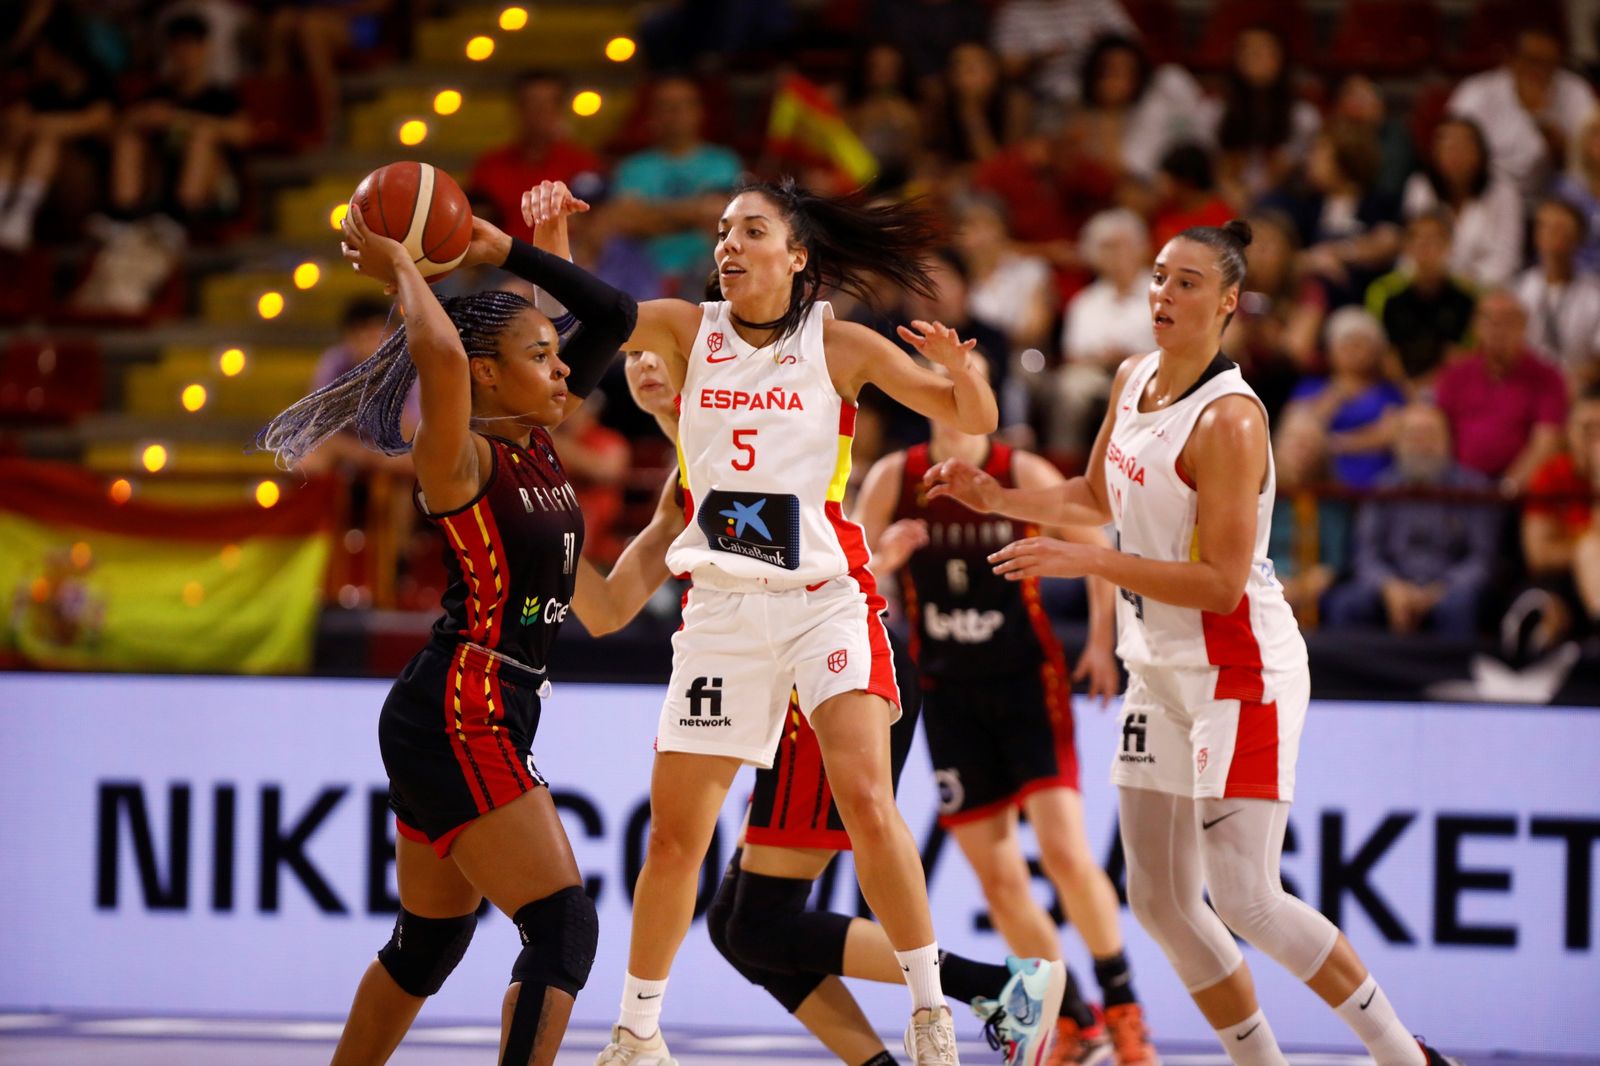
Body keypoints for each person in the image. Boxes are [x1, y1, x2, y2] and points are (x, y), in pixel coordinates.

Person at [922, 220, 1461, 1066]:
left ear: (1229, 303)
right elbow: (1095, 495)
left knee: (1247, 898)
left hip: (1239, 666)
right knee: (1160, 901)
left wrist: (1090, 560)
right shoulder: (1132, 377)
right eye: (1159, 277)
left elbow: (1220, 582)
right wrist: (997, 497)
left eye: (1187, 283)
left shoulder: (1231, 419)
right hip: (1158, 670)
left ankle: (1405, 1056)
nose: (1164, 294)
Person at [557, 174, 999, 1065]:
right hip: (723, 614)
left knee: (867, 800)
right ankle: (637, 1034)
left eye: (751, 230)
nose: (728, 243)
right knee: (674, 838)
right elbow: (589, 318)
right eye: (723, 230)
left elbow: (972, 416)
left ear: (796, 257)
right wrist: (549, 242)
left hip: (823, 602)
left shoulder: (838, 343)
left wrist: (962, 375)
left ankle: (931, 1012)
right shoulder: (689, 331)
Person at [573, 339, 1076, 1066]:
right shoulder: (692, 476)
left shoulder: (771, 433)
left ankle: (990, 990)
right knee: (743, 927)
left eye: (662, 349)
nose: (645, 365)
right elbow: (608, 608)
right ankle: (975, 1000)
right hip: (777, 679)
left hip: (826, 665)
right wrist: (549, 538)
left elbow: (810, 533)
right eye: (632, 355)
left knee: (760, 919)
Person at [256, 185, 639, 1066]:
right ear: (486, 375)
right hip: (465, 704)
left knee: (427, 945)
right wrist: (404, 266)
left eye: (557, 356)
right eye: (539, 357)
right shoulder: (459, 455)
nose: (562, 371)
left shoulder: (537, 433)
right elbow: (439, 352)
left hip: (477, 704)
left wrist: (529, 248)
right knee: (563, 924)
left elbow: (610, 315)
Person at [852, 395, 1160, 1066]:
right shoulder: (895, 478)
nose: (953, 404)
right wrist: (886, 561)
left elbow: (1098, 545)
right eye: (940, 390)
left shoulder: (1019, 472)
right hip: (947, 691)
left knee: (1065, 854)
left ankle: (1123, 1004)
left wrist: (1101, 639)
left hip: (1026, 684)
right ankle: (1074, 1019)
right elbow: (851, 574)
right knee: (998, 882)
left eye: (967, 388)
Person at [1322, 403, 1501, 637]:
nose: (1421, 444)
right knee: (1345, 603)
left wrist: (1440, 590)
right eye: (1413, 436)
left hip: (1449, 587)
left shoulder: (1474, 490)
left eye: (1430, 435)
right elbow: (1366, 553)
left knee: (1460, 604)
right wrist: (1389, 587)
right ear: (1397, 443)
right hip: (1392, 585)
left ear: (1448, 440)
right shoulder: (1381, 488)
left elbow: (1482, 559)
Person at [1434, 289, 1568, 495]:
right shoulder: (1455, 374)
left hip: (1519, 489)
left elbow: (1546, 441)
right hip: (1460, 487)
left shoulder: (1547, 377)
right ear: (1475, 327)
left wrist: (1509, 487)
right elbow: (1439, 429)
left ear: (1523, 327)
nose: (1497, 330)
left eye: (1507, 322)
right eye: (1489, 321)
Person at [1445, 24, 1598, 199]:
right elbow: (1452, 146)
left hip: (1550, 195)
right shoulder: (1477, 91)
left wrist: (1547, 130)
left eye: (1548, 63)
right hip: (1486, 190)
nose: (1538, 70)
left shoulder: (1576, 90)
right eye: (1532, 60)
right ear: (1512, 58)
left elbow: (1590, 158)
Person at [468, 70, 607, 243]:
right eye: (532, 104)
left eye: (548, 105)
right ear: (518, 108)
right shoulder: (489, 166)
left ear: (561, 109)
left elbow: (596, 225)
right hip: (504, 255)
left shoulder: (583, 163)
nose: (540, 113)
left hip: (564, 255)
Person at [1283, 307, 1406, 491]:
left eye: (1361, 343)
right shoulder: (1310, 388)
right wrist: (1330, 401)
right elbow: (1292, 437)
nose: (1353, 350)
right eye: (1346, 343)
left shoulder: (1391, 392)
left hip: (1378, 486)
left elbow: (1392, 435)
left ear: (1377, 351)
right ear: (1331, 350)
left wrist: (1330, 443)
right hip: (1319, 486)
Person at [1401, 116, 1525, 290]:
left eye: (1461, 147)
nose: (1453, 155)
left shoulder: (1503, 192)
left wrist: (1462, 286)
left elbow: (1506, 258)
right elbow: (1411, 251)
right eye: (1446, 147)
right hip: (1429, 288)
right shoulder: (1420, 187)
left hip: (1487, 289)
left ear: (1479, 152)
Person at [1365, 210, 1476, 387]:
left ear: (1449, 244)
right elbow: (1382, 350)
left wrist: (1426, 387)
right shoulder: (1383, 291)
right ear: (1406, 246)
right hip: (1395, 385)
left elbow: (1464, 354)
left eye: (1433, 239)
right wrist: (1407, 388)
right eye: (1416, 238)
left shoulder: (1468, 294)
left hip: (1448, 385)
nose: (1424, 245)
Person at [1514, 197, 1600, 381]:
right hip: (1526, 383)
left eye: (1560, 228)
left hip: (1576, 384)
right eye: (1545, 226)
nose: (1552, 234)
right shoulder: (1521, 288)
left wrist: (1565, 381)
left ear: (1578, 237)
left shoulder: (1594, 295)